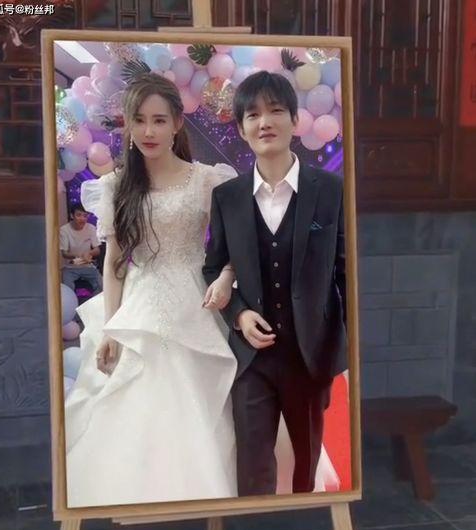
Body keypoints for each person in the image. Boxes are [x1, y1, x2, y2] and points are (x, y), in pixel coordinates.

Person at [65, 73, 238, 507]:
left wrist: (227, 275)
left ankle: (200, 495)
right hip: (138, 307)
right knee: (132, 403)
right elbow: (114, 264)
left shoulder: (207, 180)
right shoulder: (116, 185)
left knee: (198, 404)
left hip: (197, 303)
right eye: (139, 120)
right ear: (127, 124)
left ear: (177, 123)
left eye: (159, 120)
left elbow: (237, 247)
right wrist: (110, 327)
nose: (148, 131)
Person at [203, 71, 347, 496]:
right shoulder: (227, 197)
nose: (264, 122)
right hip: (252, 360)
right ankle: (255, 529)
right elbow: (213, 268)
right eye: (253, 115)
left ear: (295, 120)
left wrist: (344, 346)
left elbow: (346, 271)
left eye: (276, 110)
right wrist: (238, 314)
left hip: (310, 353)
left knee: (307, 461)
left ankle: (304, 527)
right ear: (241, 128)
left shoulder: (332, 189)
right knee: (253, 464)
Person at [60, 203, 103, 294]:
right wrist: (79, 255)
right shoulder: (64, 230)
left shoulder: (91, 228)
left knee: (102, 285)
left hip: (88, 266)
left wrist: (89, 253)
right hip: (70, 268)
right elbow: (64, 253)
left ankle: (92, 302)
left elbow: (97, 250)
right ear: (72, 216)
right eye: (79, 215)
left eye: (85, 216)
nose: (82, 219)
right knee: (67, 290)